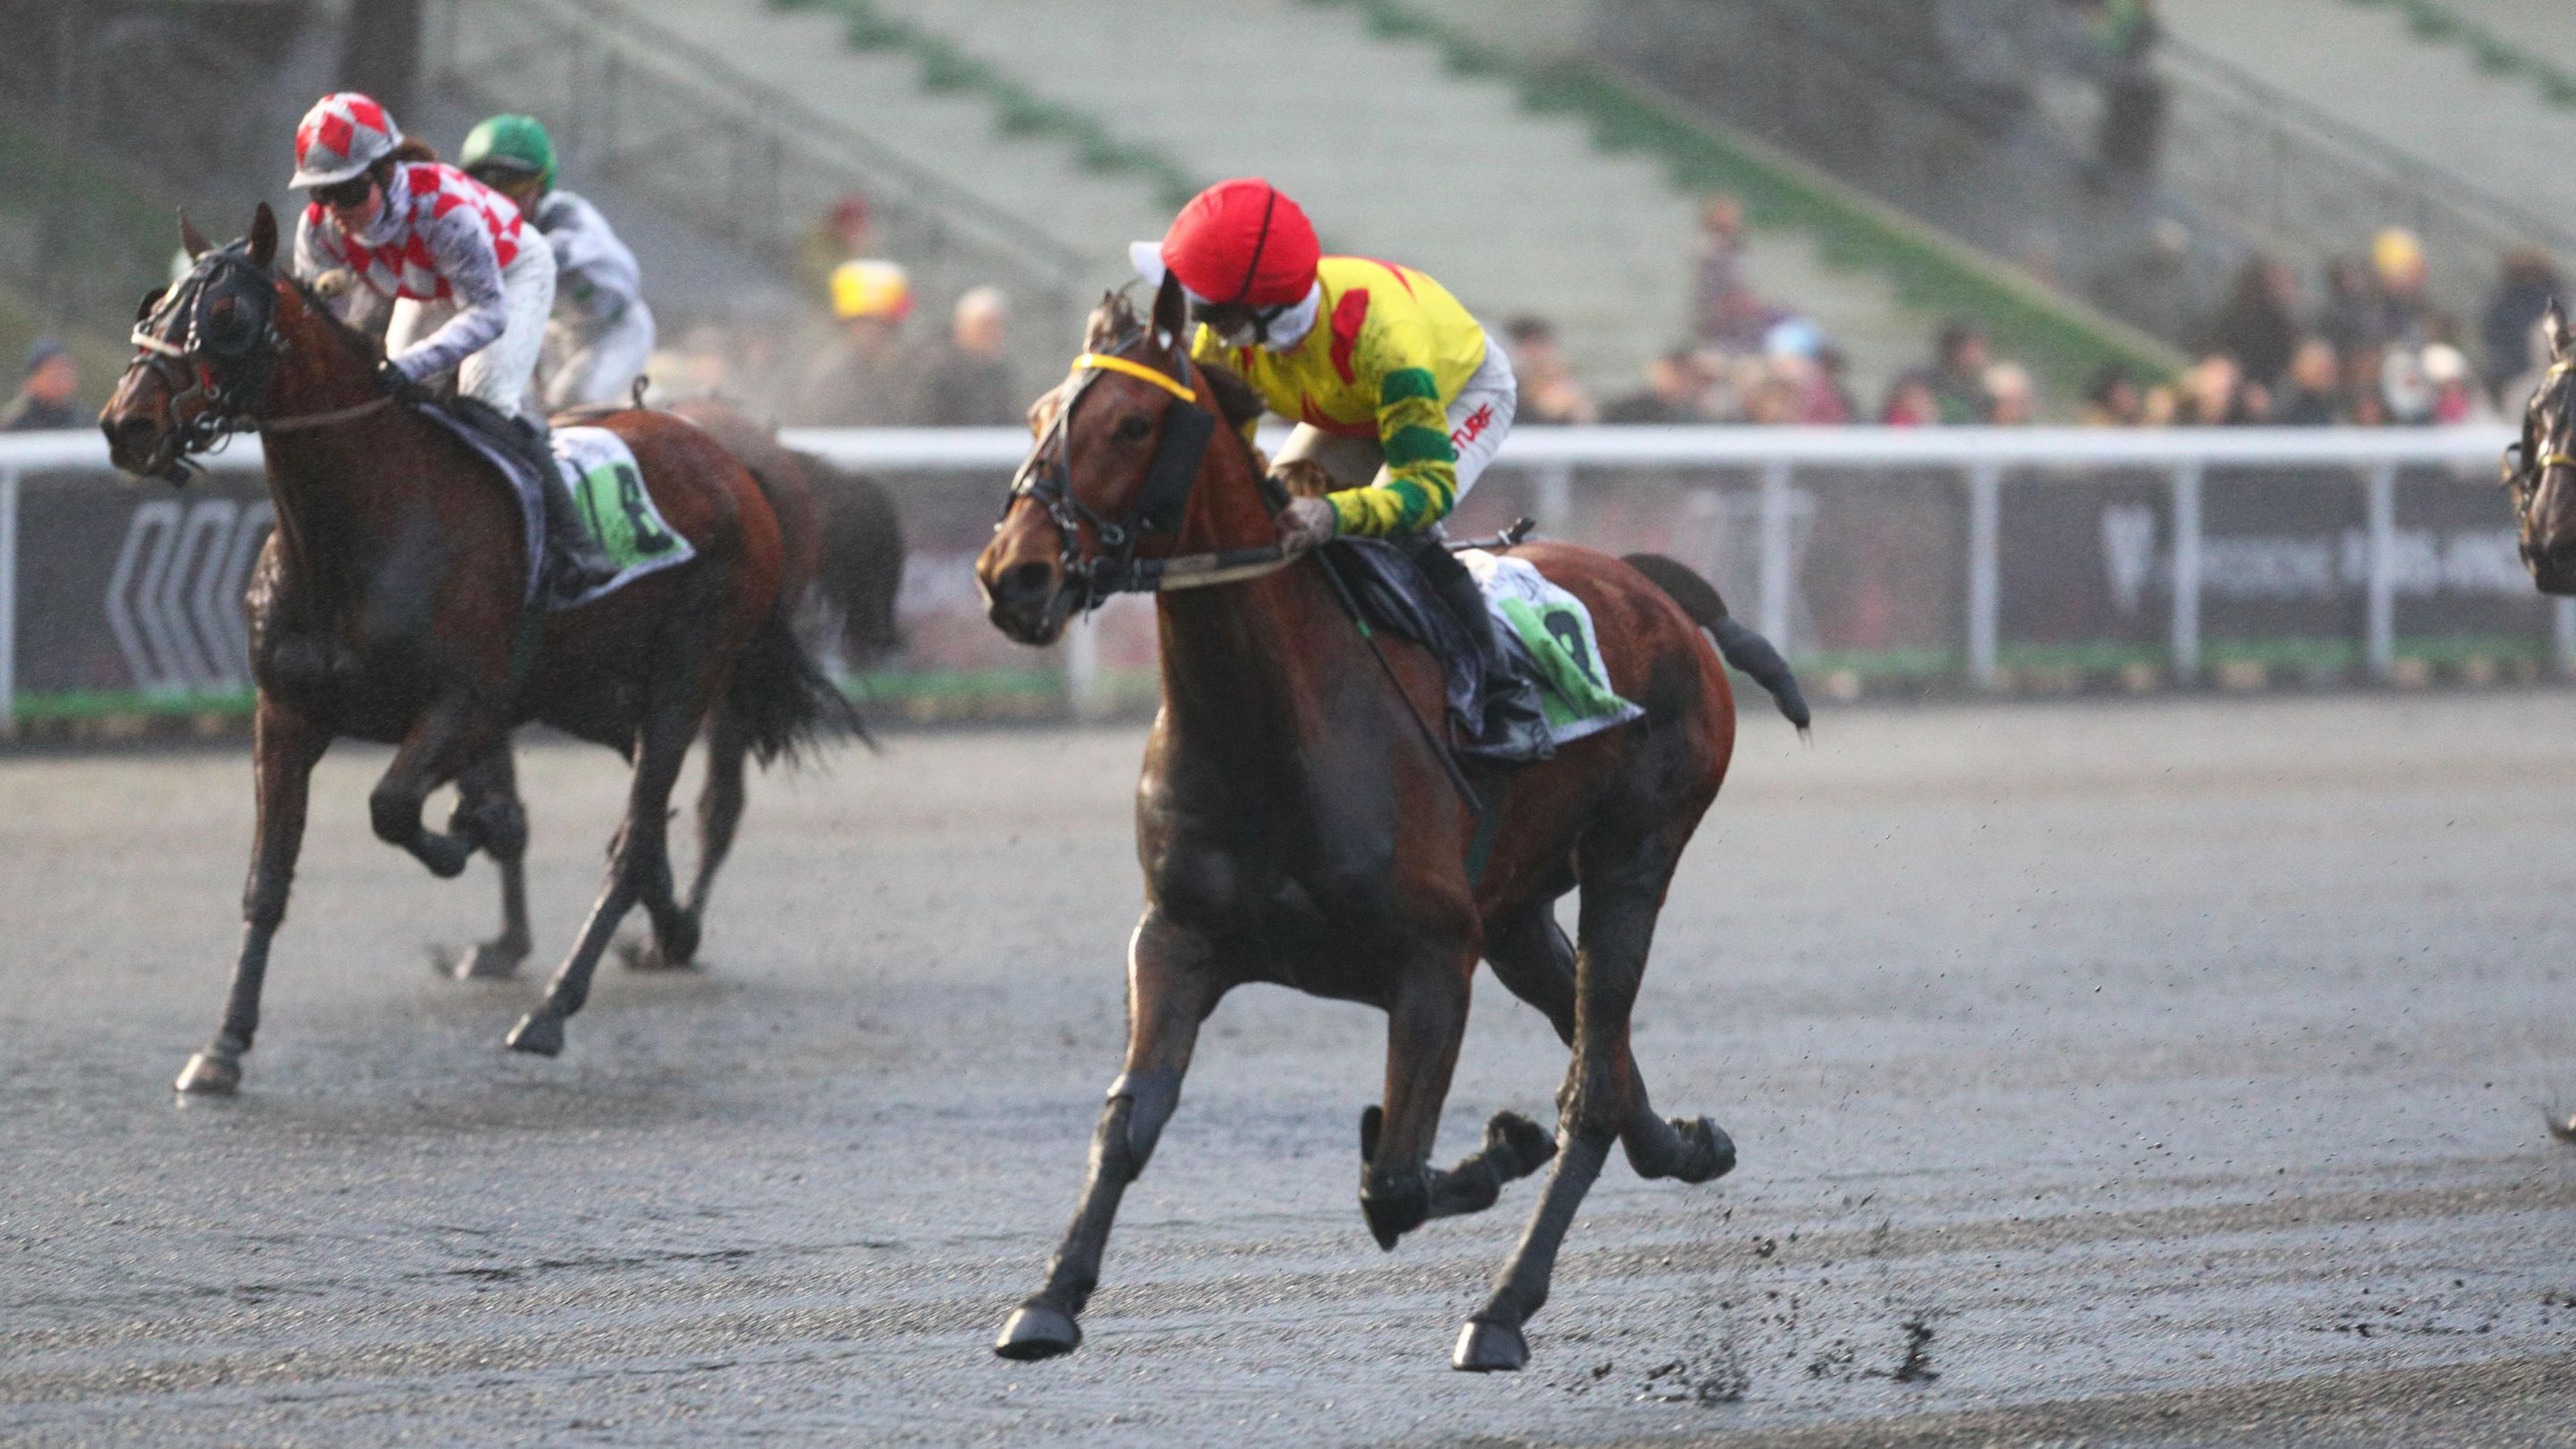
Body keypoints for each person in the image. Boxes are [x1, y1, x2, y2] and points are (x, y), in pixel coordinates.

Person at [1127, 177, 1538, 751]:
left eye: (1206, 307)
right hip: (1349, 402)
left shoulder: (1388, 346)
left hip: (1455, 392)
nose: (1197, 320)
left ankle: (1504, 693)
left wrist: (1333, 514)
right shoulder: (1226, 338)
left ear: (1261, 310)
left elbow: (1425, 491)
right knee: (1273, 520)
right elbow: (1221, 464)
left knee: (1400, 533)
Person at [285, 91, 607, 582]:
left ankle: (578, 544)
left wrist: (409, 366)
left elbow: (487, 313)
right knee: (392, 403)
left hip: (510, 274)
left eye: (347, 192)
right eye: (319, 193)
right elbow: (323, 327)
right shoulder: (318, 230)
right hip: (430, 281)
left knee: (483, 402)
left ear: (386, 172)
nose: (334, 211)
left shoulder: (442, 210)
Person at [458, 114, 655, 411]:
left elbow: (543, 256)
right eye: (486, 187)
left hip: (614, 332)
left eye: (515, 186)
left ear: (541, 185)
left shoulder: (571, 215)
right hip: (552, 334)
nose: (501, 202)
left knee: (571, 403)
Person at [786, 258, 921, 426]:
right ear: (845, 324)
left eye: (880, 322)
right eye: (862, 321)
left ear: (894, 326)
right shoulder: (830, 377)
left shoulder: (920, 370)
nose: (871, 331)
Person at [919, 285, 1019, 426]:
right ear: (962, 328)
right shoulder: (936, 373)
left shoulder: (999, 374)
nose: (994, 334)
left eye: (999, 326)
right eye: (986, 326)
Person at [0, 338, 80, 431]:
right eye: (55, 374)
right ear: (32, 379)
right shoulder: (13, 426)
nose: (62, 378)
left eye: (67, 370)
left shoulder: (85, 424)